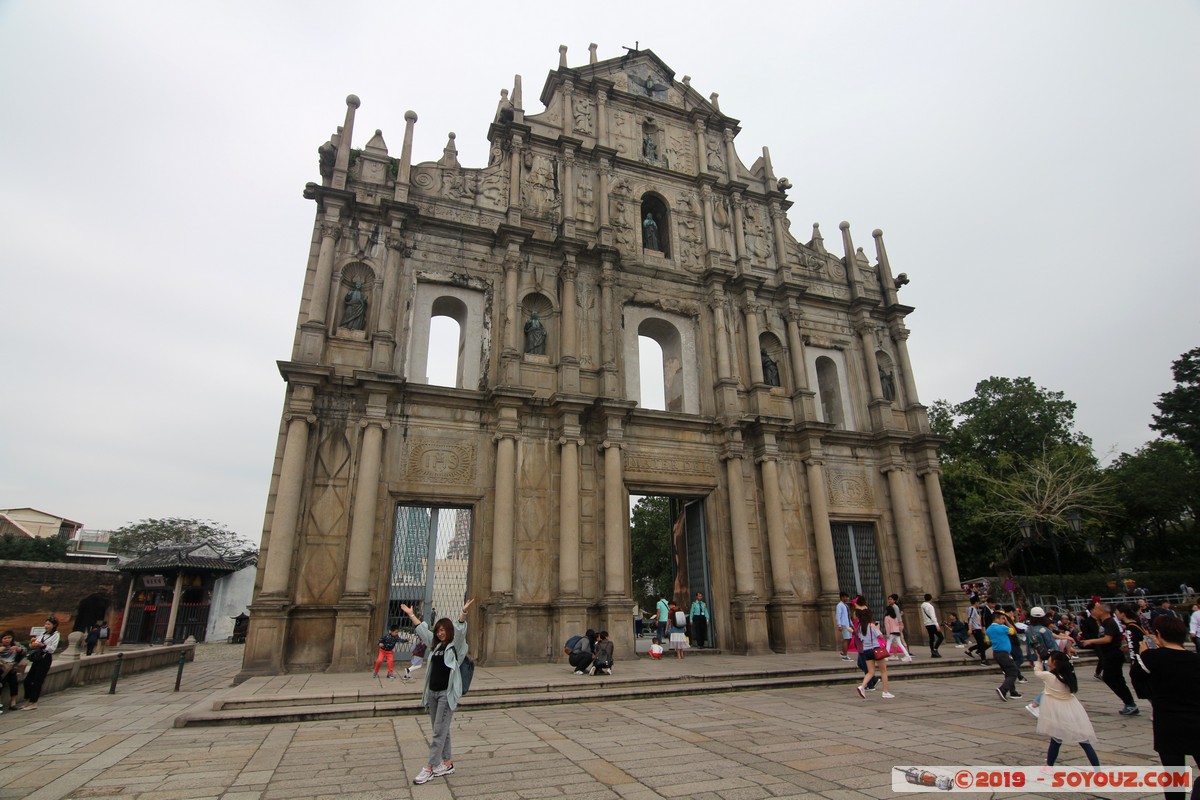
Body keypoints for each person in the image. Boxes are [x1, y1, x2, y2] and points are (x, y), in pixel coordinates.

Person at [400, 598, 473, 785]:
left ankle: (430, 767)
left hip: (446, 695)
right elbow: (424, 631)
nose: (440, 633)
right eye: (438, 630)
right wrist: (411, 615)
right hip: (432, 692)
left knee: (438, 732)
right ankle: (447, 763)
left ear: (449, 632)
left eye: (443, 630)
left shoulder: (455, 647)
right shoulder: (436, 646)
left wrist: (463, 614)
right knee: (440, 729)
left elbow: (460, 632)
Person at [1139, 615, 1200, 800]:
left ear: (1158, 634)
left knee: (1174, 777)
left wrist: (1142, 656)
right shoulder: (1196, 659)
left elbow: (1141, 689)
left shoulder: (1150, 658)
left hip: (1168, 725)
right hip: (1197, 722)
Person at [1033, 651, 1101, 769]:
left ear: (1054, 662)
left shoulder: (1049, 676)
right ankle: (1097, 769)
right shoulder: (1068, 675)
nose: (1048, 660)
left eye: (1050, 658)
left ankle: (1049, 766)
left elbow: (1037, 672)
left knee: (1056, 739)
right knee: (1084, 741)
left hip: (1057, 710)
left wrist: (1038, 660)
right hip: (1072, 708)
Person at [1081, 601, 1139, 716]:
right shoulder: (1105, 622)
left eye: (1097, 609)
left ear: (1103, 611)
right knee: (1116, 679)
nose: (1094, 611)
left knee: (1111, 678)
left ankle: (1130, 703)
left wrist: (1090, 641)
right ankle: (1129, 703)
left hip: (1113, 655)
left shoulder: (1110, 623)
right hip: (1109, 655)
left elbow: (1108, 639)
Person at [1023, 607, 1058, 717]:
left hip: (1038, 658)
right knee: (1053, 685)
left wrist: (1031, 659)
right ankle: (1035, 704)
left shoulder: (1029, 630)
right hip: (1049, 659)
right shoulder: (1044, 630)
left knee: (1049, 684)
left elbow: (1029, 646)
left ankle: (1046, 707)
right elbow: (1052, 645)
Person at [1116, 603, 1153, 703]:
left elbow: (1138, 643)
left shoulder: (1131, 627)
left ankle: (1156, 707)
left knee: (1143, 683)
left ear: (1123, 614)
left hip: (1139, 658)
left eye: (1117, 613)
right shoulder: (1135, 624)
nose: (1116, 615)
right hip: (1140, 657)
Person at [853, 609, 894, 699]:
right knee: (883, 671)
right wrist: (877, 628)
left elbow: (860, 637)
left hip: (866, 650)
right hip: (875, 649)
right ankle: (885, 691)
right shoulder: (871, 626)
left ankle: (862, 686)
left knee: (870, 672)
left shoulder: (860, 627)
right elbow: (880, 636)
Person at [23, 616, 60, 710]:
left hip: (45, 658)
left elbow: (52, 649)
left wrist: (43, 645)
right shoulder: (43, 634)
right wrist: (33, 643)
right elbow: (35, 645)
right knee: (28, 680)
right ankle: (28, 699)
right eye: (46, 624)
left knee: (37, 681)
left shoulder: (56, 634)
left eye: (48, 624)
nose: (46, 626)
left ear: (54, 625)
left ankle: (33, 702)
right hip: (37, 658)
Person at [988, 610, 1022, 702]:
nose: (1003, 621)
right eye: (1002, 619)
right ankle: (1003, 689)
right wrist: (1007, 622)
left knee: (1007, 672)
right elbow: (1014, 631)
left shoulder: (989, 629)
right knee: (1013, 672)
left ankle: (1013, 692)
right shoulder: (1002, 628)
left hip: (996, 653)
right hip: (1004, 653)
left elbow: (987, 641)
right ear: (997, 619)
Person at [0, 632, 26, 711]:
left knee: (14, 683)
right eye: (5, 638)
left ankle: (13, 703)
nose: (7, 640)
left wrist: (19, 649)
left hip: (12, 669)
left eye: (9, 638)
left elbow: (25, 651)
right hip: (1, 669)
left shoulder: (15, 645)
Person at [965, 595, 990, 665]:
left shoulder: (975, 610)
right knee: (982, 644)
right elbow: (970, 618)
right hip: (976, 629)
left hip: (977, 628)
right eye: (978, 602)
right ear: (976, 602)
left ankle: (971, 650)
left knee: (981, 644)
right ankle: (983, 660)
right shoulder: (972, 609)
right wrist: (970, 629)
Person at [920, 593, 943, 658]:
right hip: (932, 623)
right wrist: (937, 625)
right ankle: (935, 649)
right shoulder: (930, 606)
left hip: (927, 624)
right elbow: (933, 616)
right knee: (941, 637)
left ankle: (932, 651)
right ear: (931, 599)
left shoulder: (922, 605)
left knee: (931, 638)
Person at [836, 592, 853, 661]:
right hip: (844, 625)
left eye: (847, 597)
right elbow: (838, 615)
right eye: (846, 597)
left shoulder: (845, 605)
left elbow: (848, 616)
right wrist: (839, 625)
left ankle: (844, 652)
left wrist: (852, 624)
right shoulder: (839, 605)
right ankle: (845, 656)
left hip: (848, 624)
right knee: (846, 639)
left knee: (849, 639)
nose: (847, 598)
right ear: (842, 597)